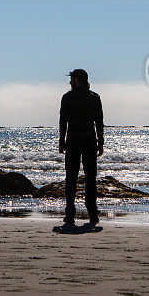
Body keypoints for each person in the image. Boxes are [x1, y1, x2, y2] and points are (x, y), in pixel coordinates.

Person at [59, 68, 104, 224]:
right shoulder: (94, 97)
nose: (70, 82)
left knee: (71, 178)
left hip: (73, 141)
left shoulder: (67, 97)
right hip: (90, 142)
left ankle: (70, 213)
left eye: (72, 79)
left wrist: (61, 142)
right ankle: (92, 213)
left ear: (77, 80)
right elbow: (99, 122)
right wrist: (101, 142)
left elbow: (63, 121)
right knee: (91, 178)